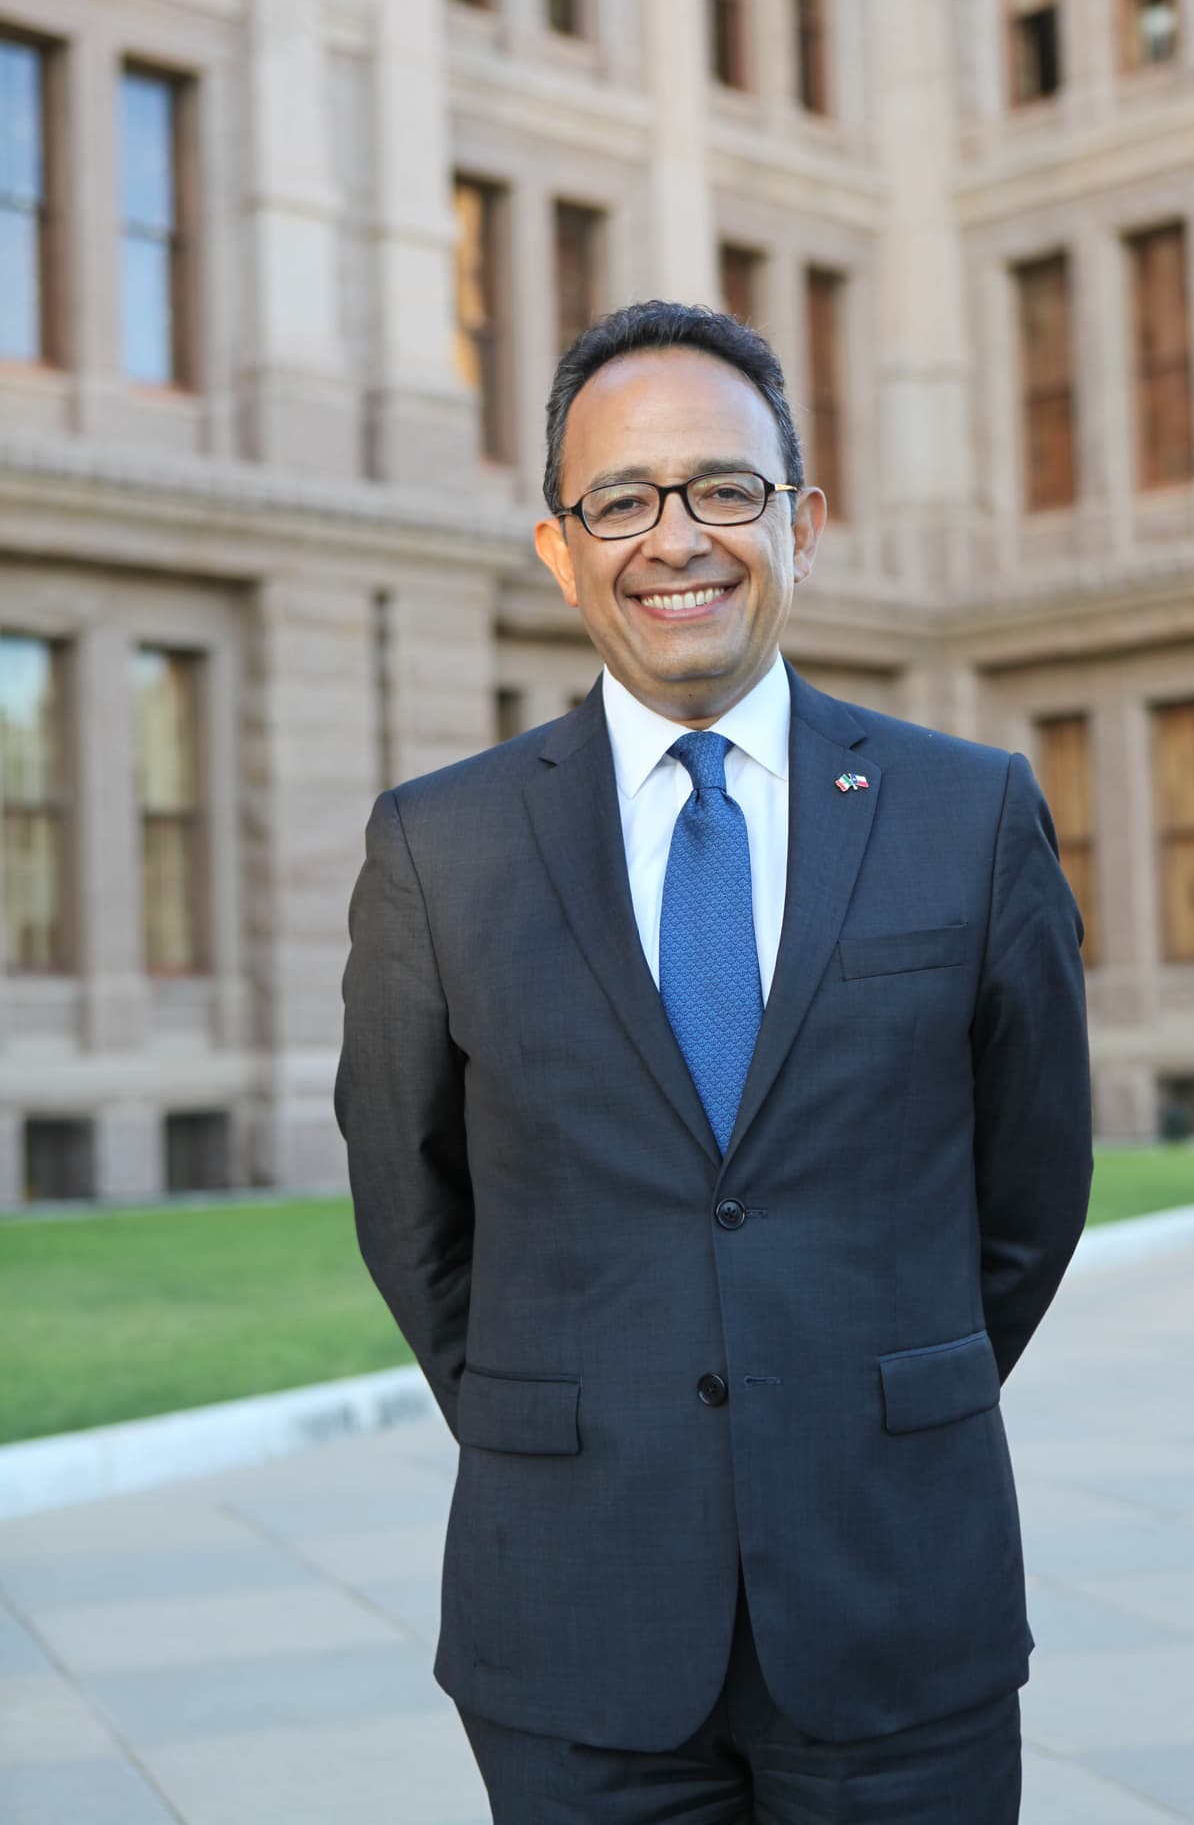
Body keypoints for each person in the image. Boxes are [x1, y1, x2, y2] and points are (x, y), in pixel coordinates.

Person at [334, 300, 1093, 1823]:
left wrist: (864, 1394)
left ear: (801, 525)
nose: (675, 538)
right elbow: (412, 1210)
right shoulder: (440, 848)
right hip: (575, 1620)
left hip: (898, 1603)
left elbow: (1031, 1188)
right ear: (561, 552)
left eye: (725, 490)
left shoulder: (970, 814)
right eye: (620, 500)